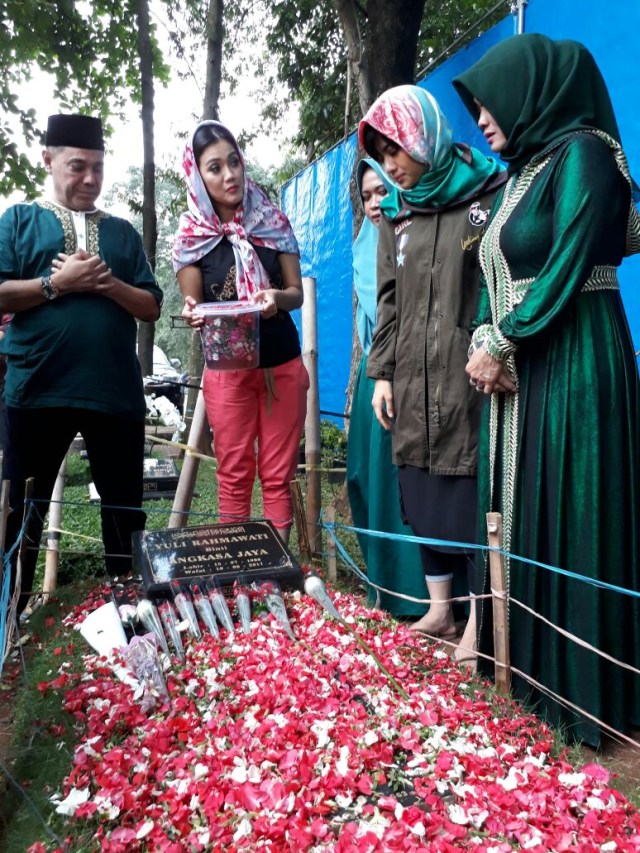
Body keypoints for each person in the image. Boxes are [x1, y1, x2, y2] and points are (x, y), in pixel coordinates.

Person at [453, 33, 640, 745]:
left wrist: (502, 339)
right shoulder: (520, 175)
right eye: (475, 110)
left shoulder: (586, 155)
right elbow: (490, 273)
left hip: (576, 363)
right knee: (523, 509)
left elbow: (565, 264)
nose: (483, 119)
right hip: (521, 365)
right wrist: (482, 337)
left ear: (533, 88)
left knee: (575, 509)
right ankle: (529, 672)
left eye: (489, 102)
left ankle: (585, 687)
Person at [359, 85, 506, 655]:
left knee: (465, 488)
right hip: (411, 378)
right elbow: (389, 300)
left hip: (463, 369)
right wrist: (382, 373)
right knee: (418, 486)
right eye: (380, 154)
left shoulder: (487, 191)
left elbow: (497, 279)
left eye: (394, 149)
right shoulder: (396, 211)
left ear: (424, 136)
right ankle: (440, 609)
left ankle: (477, 621)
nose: (389, 165)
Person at [0, 114, 162, 614]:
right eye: (77, 166)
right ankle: (11, 615)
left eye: (97, 168)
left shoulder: (122, 233)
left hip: (113, 393)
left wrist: (107, 283)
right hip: (35, 389)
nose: (90, 179)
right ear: (48, 161)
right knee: (20, 510)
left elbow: (151, 304)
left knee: (123, 508)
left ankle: (129, 611)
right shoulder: (19, 221)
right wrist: (59, 284)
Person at [174, 121, 309, 544]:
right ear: (198, 176)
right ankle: (239, 572)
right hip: (228, 373)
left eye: (233, 161)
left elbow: (296, 294)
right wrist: (193, 313)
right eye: (214, 168)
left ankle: (277, 573)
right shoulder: (191, 238)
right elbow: (194, 305)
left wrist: (274, 298)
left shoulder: (272, 222)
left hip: (282, 365)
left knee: (277, 473)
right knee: (233, 474)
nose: (229, 175)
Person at [347, 159, 426, 617]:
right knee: (366, 474)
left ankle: (417, 593)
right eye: (368, 196)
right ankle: (385, 583)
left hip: (411, 372)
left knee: (406, 480)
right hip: (375, 377)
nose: (376, 203)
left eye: (383, 190)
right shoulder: (365, 246)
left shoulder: (418, 232)